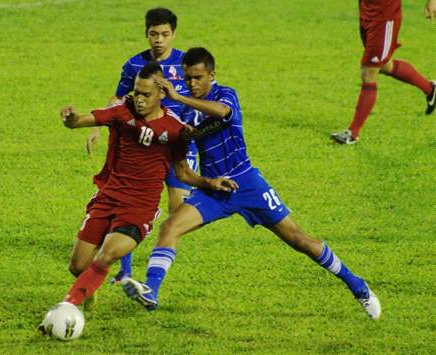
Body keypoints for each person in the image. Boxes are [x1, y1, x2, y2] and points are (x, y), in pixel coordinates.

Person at [122, 48, 382, 320]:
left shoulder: (225, 94)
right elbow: (183, 172)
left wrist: (177, 97)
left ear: (212, 74)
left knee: (298, 239)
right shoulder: (185, 117)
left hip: (247, 183)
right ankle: (151, 291)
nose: (192, 84)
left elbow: (222, 112)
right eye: (187, 79)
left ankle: (358, 286)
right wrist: (205, 176)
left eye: (198, 77)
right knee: (170, 226)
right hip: (215, 189)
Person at [38, 62, 237, 334]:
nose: (139, 99)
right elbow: (83, 121)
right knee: (78, 265)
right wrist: (70, 119)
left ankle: (67, 305)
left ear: (161, 94)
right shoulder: (122, 112)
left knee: (107, 254)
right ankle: (87, 287)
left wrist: (209, 182)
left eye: (146, 94)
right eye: (136, 93)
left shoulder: (175, 130)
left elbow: (183, 172)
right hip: (107, 197)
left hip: (139, 208)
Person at [85, 7, 199, 283]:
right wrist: (99, 127)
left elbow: (201, 96)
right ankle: (124, 267)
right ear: (146, 34)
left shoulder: (185, 65)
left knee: (177, 209)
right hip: (141, 145)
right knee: (127, 201)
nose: (159, 40)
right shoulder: (134, 65)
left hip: (176, 144)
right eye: (153, 34)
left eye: (164, 34)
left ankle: (157, 266)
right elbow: (117, 99)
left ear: (173, 34)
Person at [330, 0, 436, 145]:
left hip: (384, 18)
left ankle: (352, 133)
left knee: (368, 72)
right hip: (367, 13)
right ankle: (430, 88)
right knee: (384, 64)